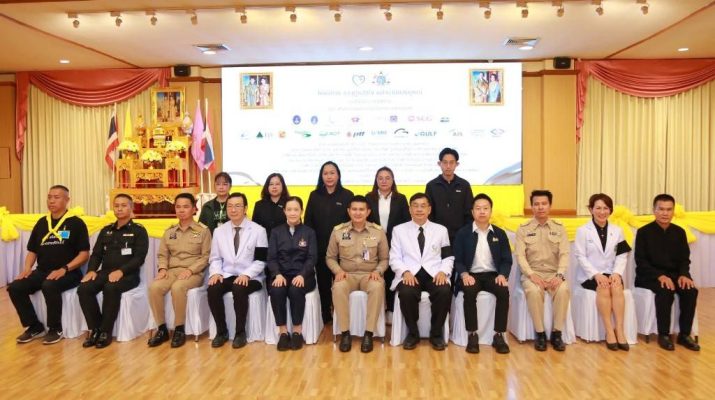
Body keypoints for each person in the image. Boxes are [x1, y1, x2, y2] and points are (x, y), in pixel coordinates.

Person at [8, 185, 90, 345]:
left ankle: (55, 329)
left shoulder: (76, 223)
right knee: (15, 287)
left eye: (56, 197)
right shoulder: (41, 223)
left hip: (69, 273)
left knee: (49, 285)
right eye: (49, 197)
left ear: (67, 200)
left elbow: (84, 254)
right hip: (42, 271)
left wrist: (64, 269)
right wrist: (27, 269)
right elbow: (32, 251)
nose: (51, 201)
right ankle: (34, 326)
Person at [78, 194, 149, 349]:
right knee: (84, 288)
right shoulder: (106, 230)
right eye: (116, 206)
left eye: (124, 205)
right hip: (105, 272)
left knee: (111, 288)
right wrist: (91, 270)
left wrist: (121, 271)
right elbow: (96, 254)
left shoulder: (139, 231)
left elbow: (139, 258)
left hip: (128, 275)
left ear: (131, 208)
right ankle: (95, 329)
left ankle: (105, 331)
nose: (119, 209)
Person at [635, 194, 700, 351]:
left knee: (690, 291)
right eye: (661, 209)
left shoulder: (679, 232)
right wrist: (660, 276)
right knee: (665, 290)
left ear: (673, 211)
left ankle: (684, 335)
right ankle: (664, 335)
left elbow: (684, 259)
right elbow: (641, 261)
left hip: (675, 275)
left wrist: (684, 274)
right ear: (654, 210)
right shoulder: (644, 232)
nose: (665, 213)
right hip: (649, 276)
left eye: (669, 209)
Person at [390, 193, 454, 351]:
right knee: (406, 292)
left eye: (423, 206)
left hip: (434, 273)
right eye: (415, 206)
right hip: (410, 273)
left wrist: (443, 272)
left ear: (429, 209)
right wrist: (404, 272)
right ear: (410, 209)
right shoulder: (399, 230)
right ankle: (413, 333)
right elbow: (394, 257)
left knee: (444, 290)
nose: (419, 209)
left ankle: (436, 334)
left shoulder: (441, 230)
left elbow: (448, 257)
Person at [147, 193, 211, 348]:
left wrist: (190, 270)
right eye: (178, 207)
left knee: (178, 287)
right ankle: (162, 329)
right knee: (154, 287)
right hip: (171, 271)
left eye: (186, 207)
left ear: (194, 209)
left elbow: (206, 256)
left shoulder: (203, 231)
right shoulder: (170, 232)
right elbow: (162, 254)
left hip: (194, 273)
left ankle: (179, 329)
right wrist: (162, 269)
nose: (181, 210)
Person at [326, 195, 388, 353]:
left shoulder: (378, 232)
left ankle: (369, 333)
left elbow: (385, 259)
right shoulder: (338, 231)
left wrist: (378, 271)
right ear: (349, 211)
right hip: (347, 275)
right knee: (338, 287)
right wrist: (338, 271)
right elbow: (330, 257)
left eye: (361, 209)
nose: (358, 213)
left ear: (368, 212)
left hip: (370, 275)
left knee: (377, 287)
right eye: (354, 209)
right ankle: (345, 333)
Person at [208, 193, 268, 349]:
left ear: (245, 208)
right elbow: (215, 258)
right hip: (227, 274)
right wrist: (216, 273)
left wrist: (246, 274)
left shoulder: (258, 230)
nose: (233, 210)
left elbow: (261, 260)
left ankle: (240, 333)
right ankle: (221, 332)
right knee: (213, 288)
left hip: (252, 276)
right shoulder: (219, 231)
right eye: (230, 206)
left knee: (239, 287)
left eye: (237, 206)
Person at [453, 193, 511, 354]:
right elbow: (457, 259)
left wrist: (502, 275)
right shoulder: (463, 233)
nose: (482, 211)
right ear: (472, 212)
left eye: (486, 208)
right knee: (469, 292)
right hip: (471, 275)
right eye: (478, 208)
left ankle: (499, 335)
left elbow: (507, 259)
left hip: (493, 275)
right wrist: (464, 274)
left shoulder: (499, 233)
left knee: (503, 291)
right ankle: (472, 334)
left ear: (491, 211)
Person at [574, 193, 631, 351]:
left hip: (611, 272)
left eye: (606, 208)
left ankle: (619, 330)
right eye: (598, 208)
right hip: (590, 275)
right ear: (591, 209)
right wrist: (596, 274)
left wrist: (617, 273)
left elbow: (622, 254)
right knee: (604, 288)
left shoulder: (617, 231)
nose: (602, 212)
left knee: (617, 287)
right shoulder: (583, 231)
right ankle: (609, 331)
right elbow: (580, 256)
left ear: (610, 210)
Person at [515, 190, 570, 351]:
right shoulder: (523, 229)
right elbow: (520, 256)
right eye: (536, 204)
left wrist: (559, 275)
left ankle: (557, 333)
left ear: (550, 206)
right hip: (532, 273)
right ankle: (540, 334)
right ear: (531, 207)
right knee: (533, 291)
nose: (540, 207)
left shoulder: (559, 228)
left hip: (554, 273)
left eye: (544, 204)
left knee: (563, 290)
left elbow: (565, 253)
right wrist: (531, 275)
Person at [304, 161, 354, 324]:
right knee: (324, 283)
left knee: (342, 282)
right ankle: (326, 313)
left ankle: (342, 314)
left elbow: (351, 223)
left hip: (343, 250)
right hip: (320, 248)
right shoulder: (314, 195)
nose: (329, 176)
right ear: (321, 176)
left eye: (332, 173)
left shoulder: (347, 195)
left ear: (338, 175)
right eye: (325, 173)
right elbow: (308, 223)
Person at [267, 196, 317, 351]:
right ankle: (283, 332)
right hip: (282, 275)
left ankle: (297, 331)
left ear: (301, 211)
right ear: (284, 211)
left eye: (296, 209)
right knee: (276, 290)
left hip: (304, 275)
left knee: (296, 290)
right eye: (289, 209)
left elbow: (312, 258)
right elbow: (271, 258)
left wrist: (302, 275)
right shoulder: (276, 232)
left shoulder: (309, 232)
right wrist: (277, 274)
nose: (292, 213)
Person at [365, 166, 410, 323]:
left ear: (393, 180)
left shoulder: (401, 198)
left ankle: (390, 309)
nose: (384, 181)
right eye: (380, 178)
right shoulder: (369, 198)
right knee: (374, 274)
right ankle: (377, 310)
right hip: (372, 242)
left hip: (394, 242)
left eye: (387, 178)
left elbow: (406, 222)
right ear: (376, 180)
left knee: (391, 274)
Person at [425, 147, 473, 243]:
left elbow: (469, 212)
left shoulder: (464, 185)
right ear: (439, 164)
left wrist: (466, 233)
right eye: (445, 162)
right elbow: (429, 212)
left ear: (457, 164)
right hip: (436, 236)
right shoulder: (431, 185)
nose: (448, 166)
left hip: (460, 236)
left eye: (451, 162)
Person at [253, 173, 289, 239]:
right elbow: (254, 228)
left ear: (283, 186)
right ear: (267, 187)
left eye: (277, 184)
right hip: (265, 242)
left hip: (285, 242)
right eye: (271, 184)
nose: (274, 187)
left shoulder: (289, 203)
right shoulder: (259, 205)